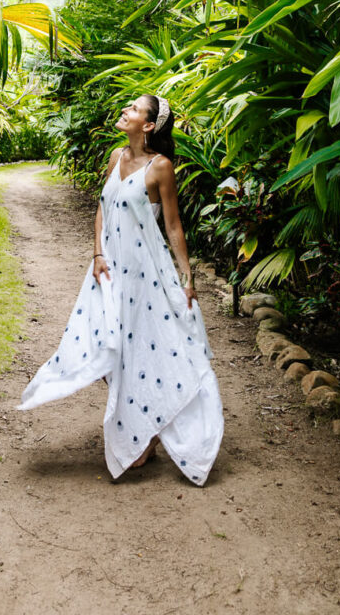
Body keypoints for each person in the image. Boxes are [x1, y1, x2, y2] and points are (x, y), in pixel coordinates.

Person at [18, 94, 224, 485]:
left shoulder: (160, 167)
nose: (125, 111)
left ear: (148, 126)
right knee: (101, 348)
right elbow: (102, 208)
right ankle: (143, 425)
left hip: (147, 276)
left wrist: (186, 277)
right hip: (109, 273)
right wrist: (97, 254)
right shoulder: (115, 157)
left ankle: (144, 434)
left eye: (133, 109)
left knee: (144, 352)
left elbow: (174, 226)